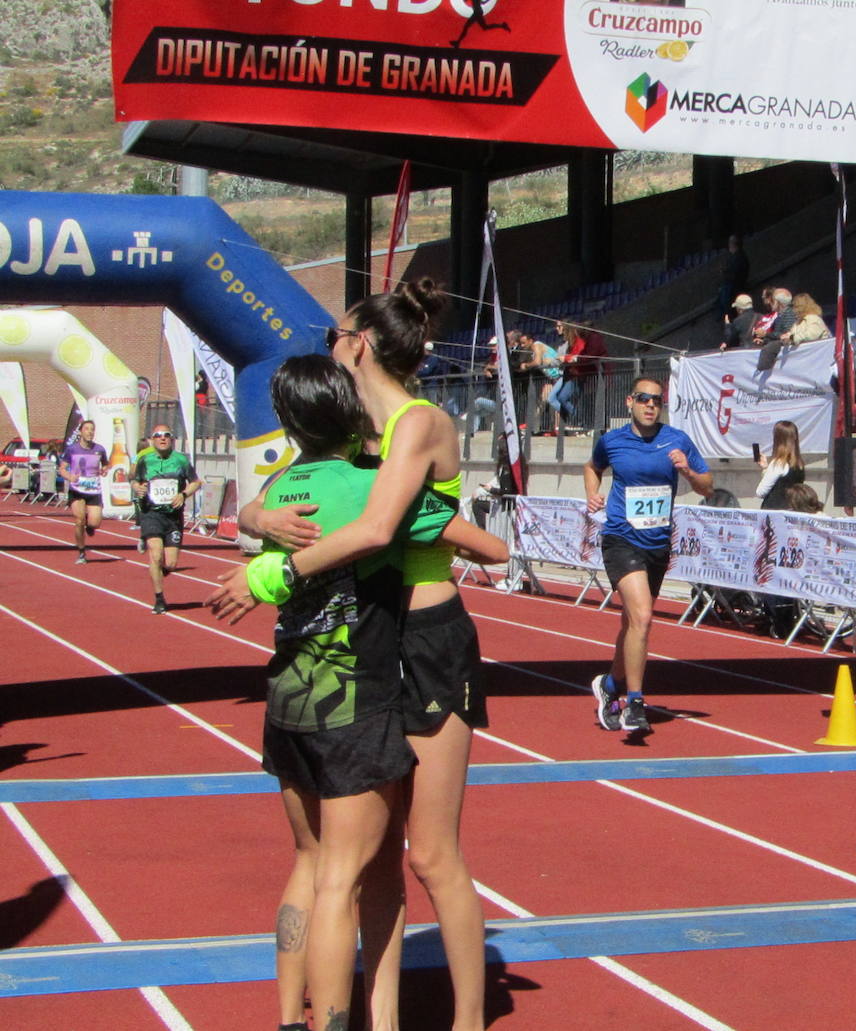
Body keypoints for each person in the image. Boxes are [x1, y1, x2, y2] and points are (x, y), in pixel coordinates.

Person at [211, 280, 493, 1031]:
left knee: (430, 853)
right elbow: (276, 500)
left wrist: (271, 571)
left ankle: (468, 1019)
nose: (328, 343)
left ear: (359, 344)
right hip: (373, 640)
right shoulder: (358, 436)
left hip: (426, 640)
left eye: (336, 333)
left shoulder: (417, 422)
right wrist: (257, 514)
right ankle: (381, 1015)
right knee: (372, 857)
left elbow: (375, 529)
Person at [585, 377, 713, 732]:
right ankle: (635, 702)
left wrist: (687, 471)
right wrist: (592, 493)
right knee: (642, 617)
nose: (650, 405)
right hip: (620, 539)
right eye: (643, 399)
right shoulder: (612, 441)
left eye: (657, 400)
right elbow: (592, 467)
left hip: (657, 544)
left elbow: (708, 486)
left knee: (632, 624)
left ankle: (609, 685)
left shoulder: (677, 440)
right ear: (630, 402)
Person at [132, 425, 202, 615]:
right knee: (156, 555)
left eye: (166, 435)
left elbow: (196, 482)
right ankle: (159, 598)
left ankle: (157, 572)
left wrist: (183, 494)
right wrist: (138, 488)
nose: (162, 438)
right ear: (152, 440)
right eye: (158, 435)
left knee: (170, 564)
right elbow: (135, 480)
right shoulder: (145, 460)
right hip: (151, 513)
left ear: (171, 439)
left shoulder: (181, 460)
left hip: (173, 517)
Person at [756, 420, 807, 637]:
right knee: (787, 566)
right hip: (792, 518)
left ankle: (775, 615)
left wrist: (765, 470)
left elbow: (761, 491)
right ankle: (789, 614)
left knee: (770, 566)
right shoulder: (799, 465)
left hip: (773, 519)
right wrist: (766, 468)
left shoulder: (778, 463)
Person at [58, 419, 108, 565]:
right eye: (87, 429)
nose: (90, 432)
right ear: (80, 432)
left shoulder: (99, 449)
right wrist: (70, 477)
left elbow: (106, 465)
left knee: (95, 523)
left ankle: (90, 526)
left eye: (92, 429)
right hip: (77, 489)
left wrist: (104, 470)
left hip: (94, 490)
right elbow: (62, 468)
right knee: (79, 520)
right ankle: (81, 552)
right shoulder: (72, 449)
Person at [547, 321, 586, 432]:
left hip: (574, 374)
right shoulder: (565, 343)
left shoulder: (577, 342)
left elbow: (578, 356)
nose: (557, 328)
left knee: (559, 398)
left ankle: (578, 420)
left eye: (559, 326)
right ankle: (573, 419)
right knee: (558, 398)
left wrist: (565, 358)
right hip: (567, 373)